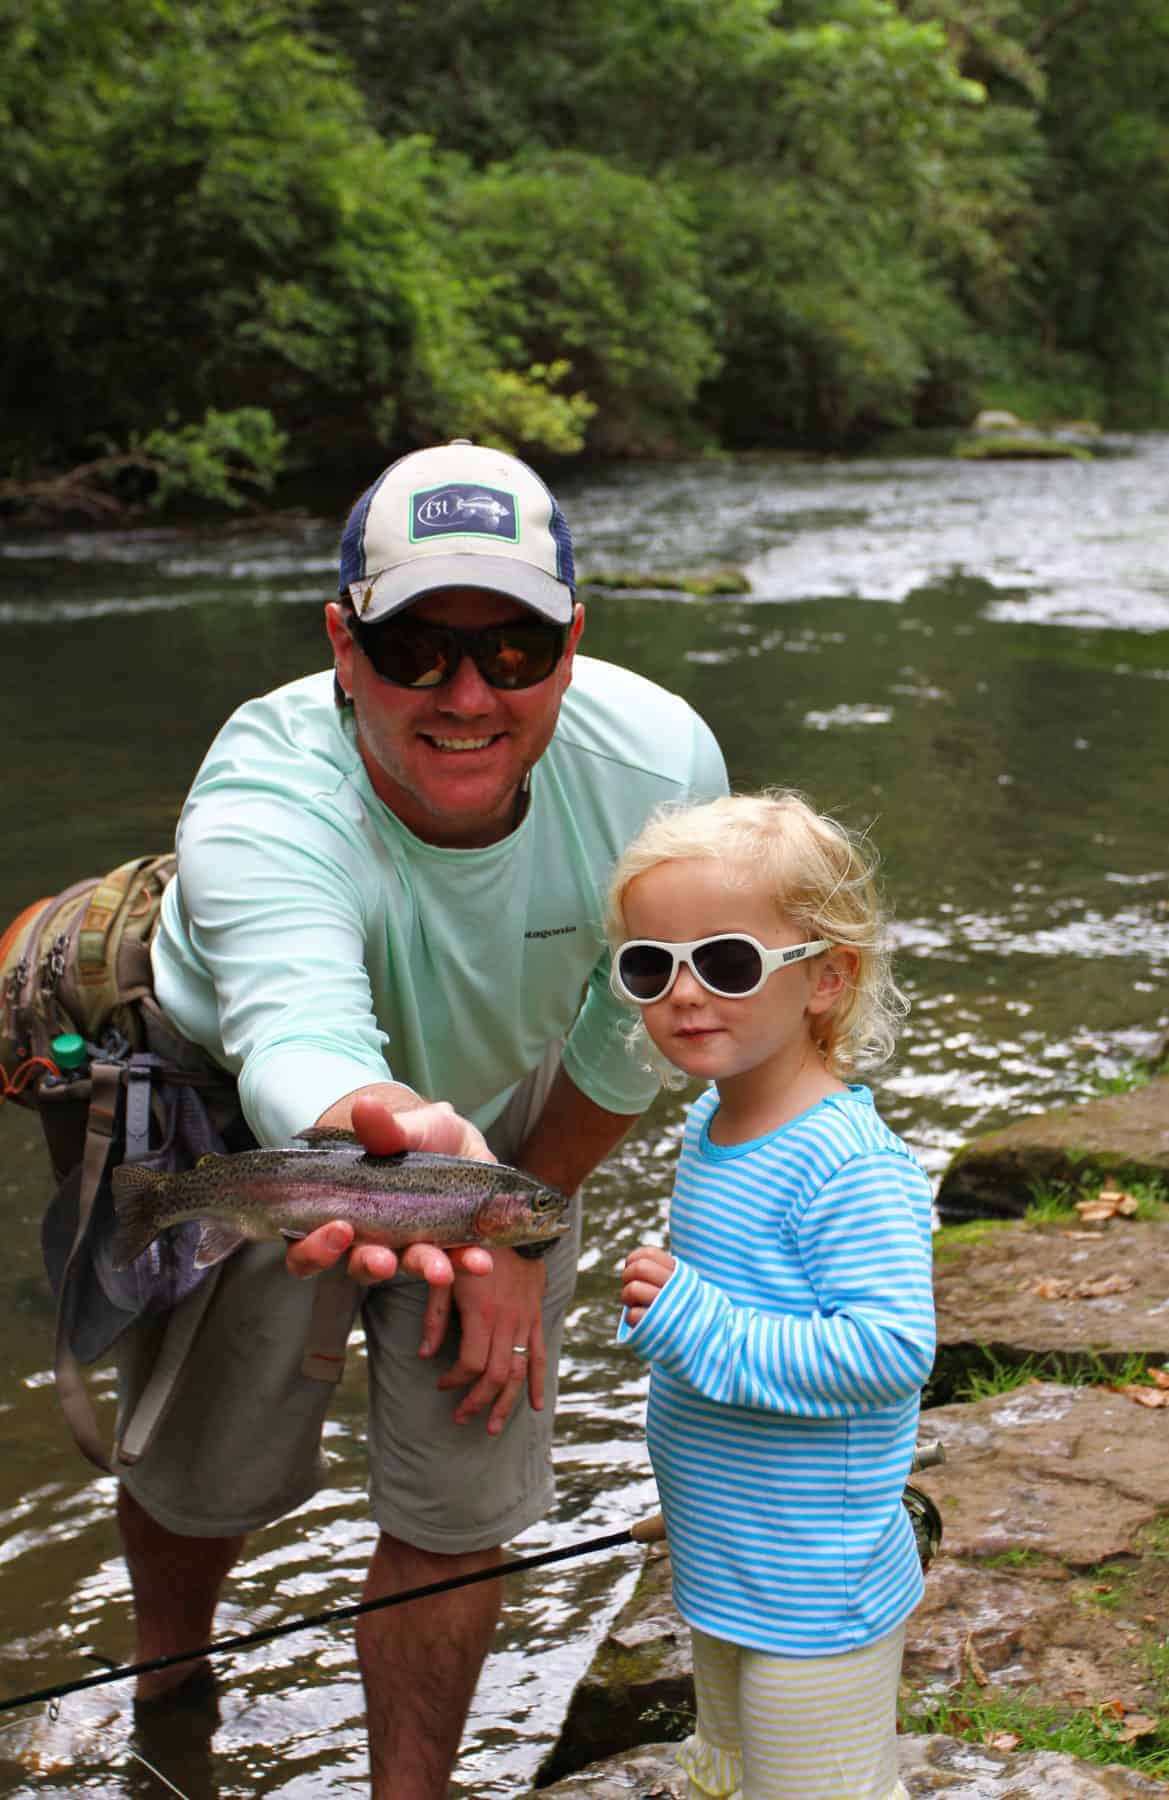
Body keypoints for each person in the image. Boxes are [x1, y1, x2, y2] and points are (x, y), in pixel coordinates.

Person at [114, 438, 729, 1798]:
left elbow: (628, 1033)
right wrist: (374, 1129)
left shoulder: (662, 766)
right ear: (344, 645)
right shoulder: (264, 794)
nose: (466, 694)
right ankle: (171, 1678)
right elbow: (293, 1030)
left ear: (573, 643)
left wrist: (512, 1236)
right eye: (415, 650)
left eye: (513, 649)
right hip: (249, 1120)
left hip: (504, 1127)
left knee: (466, 1494)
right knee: (207, 1468)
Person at [607, 791, 935, 1800]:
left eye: (729, 962)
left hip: (810, 1584)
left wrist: (689, 1320)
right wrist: (669, 1327)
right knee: (728, 1775)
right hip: (730, 1555)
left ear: (826, 980)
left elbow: (885, 1353)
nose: (685, 993)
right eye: (650, 965)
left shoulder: (844, 1165)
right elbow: (737, 1318)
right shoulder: (715, 1123)